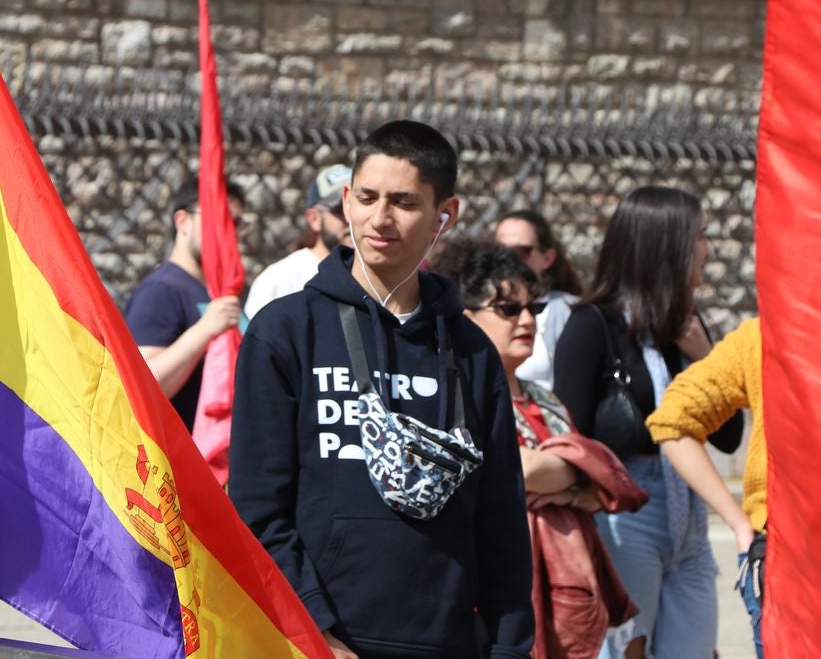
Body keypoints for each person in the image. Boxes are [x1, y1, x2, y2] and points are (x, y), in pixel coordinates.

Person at [230, 121, 534, 659]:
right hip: (318, 644)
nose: (380, 218)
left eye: (404, 202)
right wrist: (318, 634)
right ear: (346, 200)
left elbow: (501, 524)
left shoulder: (471, 352)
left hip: (448, 643)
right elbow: (257, 509)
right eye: (366, 198)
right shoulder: (286, 331)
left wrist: (509, 648)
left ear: (446, 215)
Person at [552, 186, 741, 659]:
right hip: (626, 513)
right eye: (698, 237)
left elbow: (729, 433)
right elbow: (571, 435)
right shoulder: (591, 324)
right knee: (624, 651)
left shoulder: (687, 327)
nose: (708, 250)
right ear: (664, 246)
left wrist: (706, 358)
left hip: (690, 522)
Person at [435, 239, 643, 659]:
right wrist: (576, 466)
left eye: (535, 308)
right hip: (500, 584)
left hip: (570, 581)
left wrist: (565, 482)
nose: (527, 319)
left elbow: (597, 489)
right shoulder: (455, 396)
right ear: (466, 317)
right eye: (508, 309)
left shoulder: (544, 398)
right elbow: (523, 471)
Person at [646, 318, 765, 658]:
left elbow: (673, 418)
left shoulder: (765, 334)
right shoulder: (762, 336)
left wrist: (740, 523)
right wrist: (740, 522)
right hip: (784, 557)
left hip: (781, 554)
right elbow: (672, 420)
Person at [124, 175, 245, 432]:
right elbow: (145, 386)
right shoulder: (161, 291)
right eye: (217, 219)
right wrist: (205, 330)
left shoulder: (215, 291)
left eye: (234, 223)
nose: (227, 232)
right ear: (182, 221)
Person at [244, 164, 351, 319]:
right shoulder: (280, 280)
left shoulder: (380, 276)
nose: (351, 218)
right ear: (314, 218)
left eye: (357, 206)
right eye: (339, 210)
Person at [494, 209, 582, 392]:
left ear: (547, 258)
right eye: (499, 251)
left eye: (521, 252)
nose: (508, 259)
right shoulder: (476, 308)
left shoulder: (573, 311)